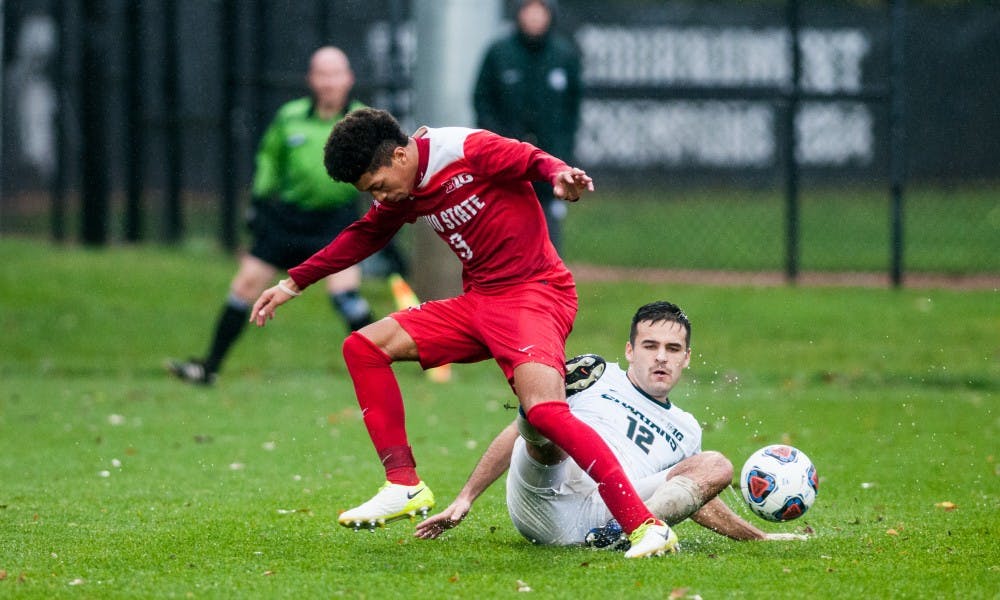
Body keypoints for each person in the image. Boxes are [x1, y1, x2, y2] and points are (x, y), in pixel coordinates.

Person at [250, 108, 677, 559]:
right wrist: (293, 282)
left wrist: (559, 174)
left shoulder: (464, 150)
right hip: (479, 303)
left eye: (378, 186)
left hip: (535, 294)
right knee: (363, 347)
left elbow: (529, 157)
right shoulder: (405, 186)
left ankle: (646, 526)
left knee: (545, 413)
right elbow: (366, 234)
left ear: (398, 156)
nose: (381, 198)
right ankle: (404, 484)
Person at [414, 301, 809, 548]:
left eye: (673, 350)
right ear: (629, 350)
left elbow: (692, 498)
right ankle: (632, 528)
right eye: (650, 346)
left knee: (717, 465)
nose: (661, 358)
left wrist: (758, 537)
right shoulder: (595, 374)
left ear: (687, 358)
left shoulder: (687, 428)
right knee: (545, 421)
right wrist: (464, 499)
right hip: (547, 493)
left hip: (606, 516)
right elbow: (521, 432)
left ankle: (623, 535)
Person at [169, 46, 373, 385]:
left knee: (345, 296)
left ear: (349, 78)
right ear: (311, 79)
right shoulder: (290, 116)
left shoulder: (364, 121)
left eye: (335, 73)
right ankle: (209, 367)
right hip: (287, 221)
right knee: (245, 286)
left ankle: (382, 362)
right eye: (321, 74)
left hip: (336, 222)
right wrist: (259, 203)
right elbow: (268, 160)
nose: (329, 82)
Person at [473, 0, 582, 252]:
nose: (534, 17)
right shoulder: (498, 53)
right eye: (529, 10)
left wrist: (563, 153)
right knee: (503, 231)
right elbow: (482, 101)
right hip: (505, 163)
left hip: (549, 162)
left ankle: (549, 288)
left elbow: (572, 110)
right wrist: (496, 145)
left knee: (547, 234)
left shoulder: (564, 55)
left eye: (540, 11)